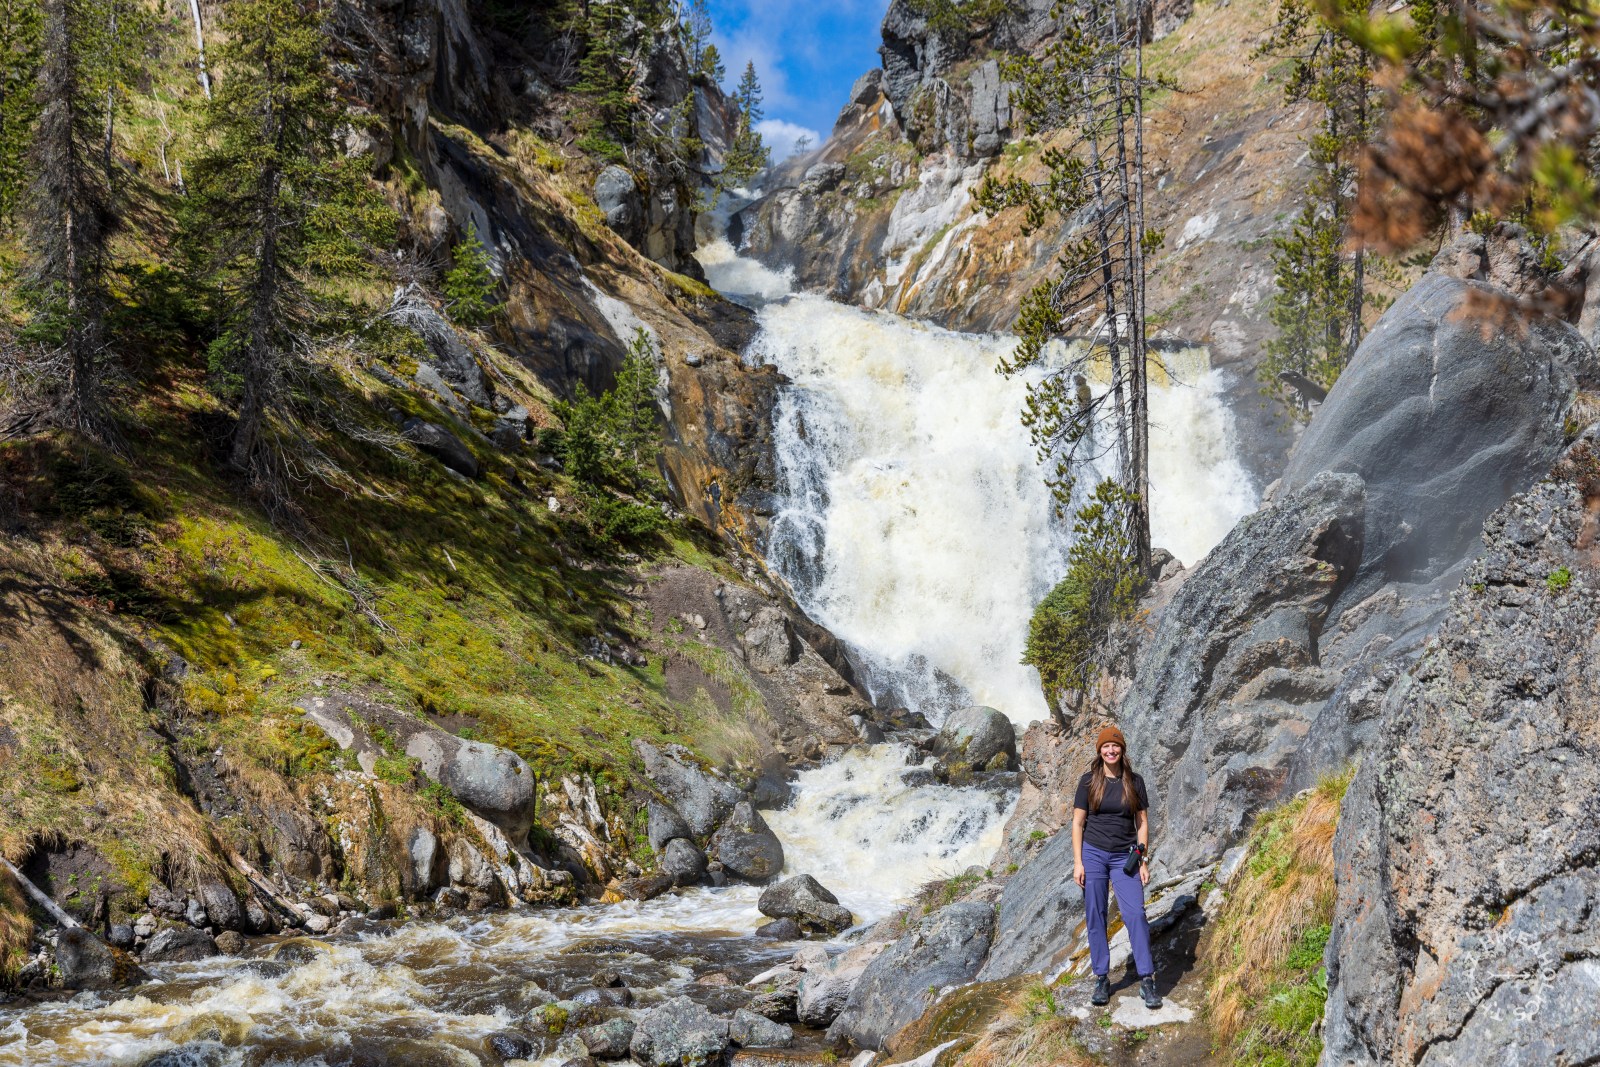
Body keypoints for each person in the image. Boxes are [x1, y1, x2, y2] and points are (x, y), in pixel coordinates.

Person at [1073, 724, 1161, 1009]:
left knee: (1135, 913)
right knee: (1096, 914)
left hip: (1126, 856)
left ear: (1122, 750)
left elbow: (1142, 823)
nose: (1111, 750)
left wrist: (1143, 859)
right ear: (1099, 751)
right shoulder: (1088, 781)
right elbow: (1078, 823)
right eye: (1106, 747)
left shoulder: (1134, 781)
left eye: (1115, 746)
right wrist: (1078, 862)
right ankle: (1101, 977)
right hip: (1094, 854)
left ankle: (1147, 979)